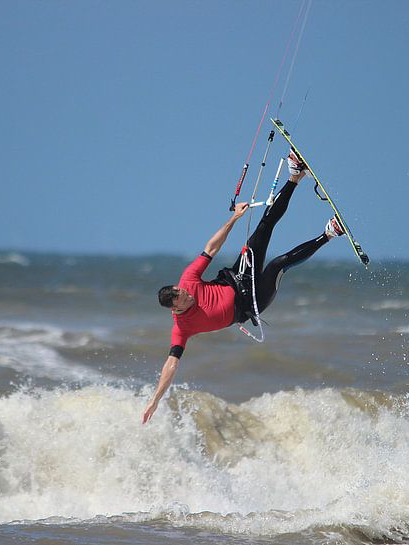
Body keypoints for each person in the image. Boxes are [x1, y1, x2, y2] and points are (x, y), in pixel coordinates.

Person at [142, 151, 346, 424]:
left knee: (263, 228)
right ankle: (330, 233)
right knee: (278, 264)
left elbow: (211, 248)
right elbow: (171, 364)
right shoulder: (181, 329)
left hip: (239, 275)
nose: (188, 293)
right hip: (252, 302)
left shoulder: (187, 279)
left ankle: (295, 176)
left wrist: (234, 219)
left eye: (184, 291)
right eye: (184, 298)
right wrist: (156, 399)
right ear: (175, 308)